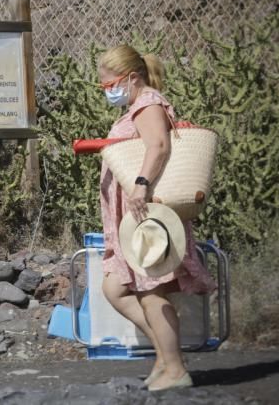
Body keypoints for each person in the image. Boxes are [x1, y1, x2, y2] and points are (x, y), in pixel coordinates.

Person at [97, 44, 216, 391]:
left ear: (132, 78)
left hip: (146, 214)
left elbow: (159, 146)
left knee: (151, 293)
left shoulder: (148, 103)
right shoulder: (138, 103)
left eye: (110, 85)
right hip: (134, 217)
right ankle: (167, 357)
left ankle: (175, 368)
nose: (108, 92)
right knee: (115, 288)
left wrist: (140, 187)